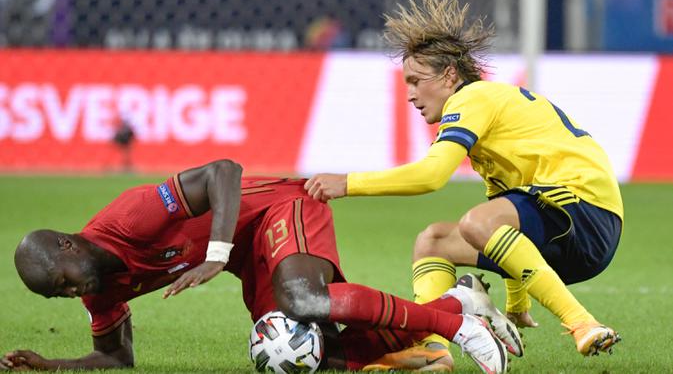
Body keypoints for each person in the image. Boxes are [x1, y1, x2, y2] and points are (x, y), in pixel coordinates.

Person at [305, 0, 622, 360]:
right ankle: (431, 348)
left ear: (449, 75)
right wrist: (517, 303)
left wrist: (346, 183)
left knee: (475, 222)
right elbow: (506, 226)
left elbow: (431, 175)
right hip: (575, 232)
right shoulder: (490, 125)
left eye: (416, 81)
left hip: (584, 209)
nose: (409, 95)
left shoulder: (472, 99)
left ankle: (583, 323)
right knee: (434, 241)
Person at [0, 159, 514, 374]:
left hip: (278, 207)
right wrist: (52, 365)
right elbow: (116, 359)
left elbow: (224, 171)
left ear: (68, 246)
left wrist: (215, 256)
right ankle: (460, 301)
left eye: (62, 282)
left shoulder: (129, 217)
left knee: (300, 301)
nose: (69, 294)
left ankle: (457, 327)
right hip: (250, 256)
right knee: (302, 355)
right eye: (57, 296)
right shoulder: (98, 291)